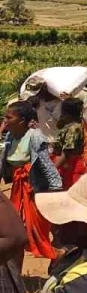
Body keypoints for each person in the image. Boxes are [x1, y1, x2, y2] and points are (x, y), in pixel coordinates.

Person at [1, 100, 61, 259]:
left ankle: (47, 252)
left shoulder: (34, 136)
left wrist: (56, 188)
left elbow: (46, 163)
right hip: (17, 186)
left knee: (35, 223)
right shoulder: (9, 137)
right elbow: (4, 162)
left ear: (21, 121)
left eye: (9, 117)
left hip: (32, 186)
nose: (5, 121)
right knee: (16, 221)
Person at [53, 98, 87, 189]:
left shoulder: (73, 129)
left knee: (70, 190)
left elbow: (67, 152)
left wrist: (52, 168)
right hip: (70, 164)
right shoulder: (74, 124)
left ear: (67, 114)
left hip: (71, 166)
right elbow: (59, 125)